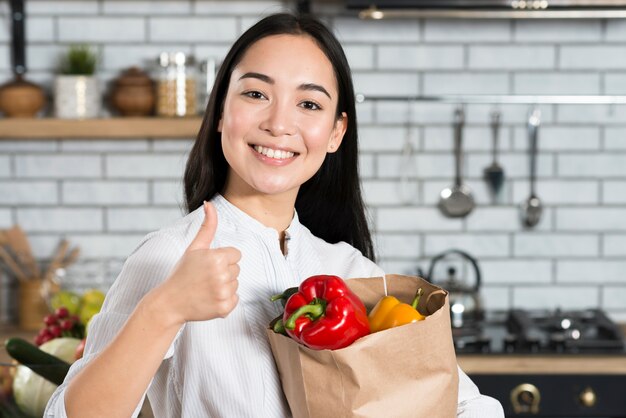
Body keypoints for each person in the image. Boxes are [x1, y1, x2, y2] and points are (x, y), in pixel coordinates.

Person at [45, 12, 504, 418]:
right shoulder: (170, 258)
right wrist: (166, 309)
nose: (279, 123)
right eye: (256, 94)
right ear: (221, 111)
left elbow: (462, 401)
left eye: (309, 104)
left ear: (335, 132)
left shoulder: (352, 271)